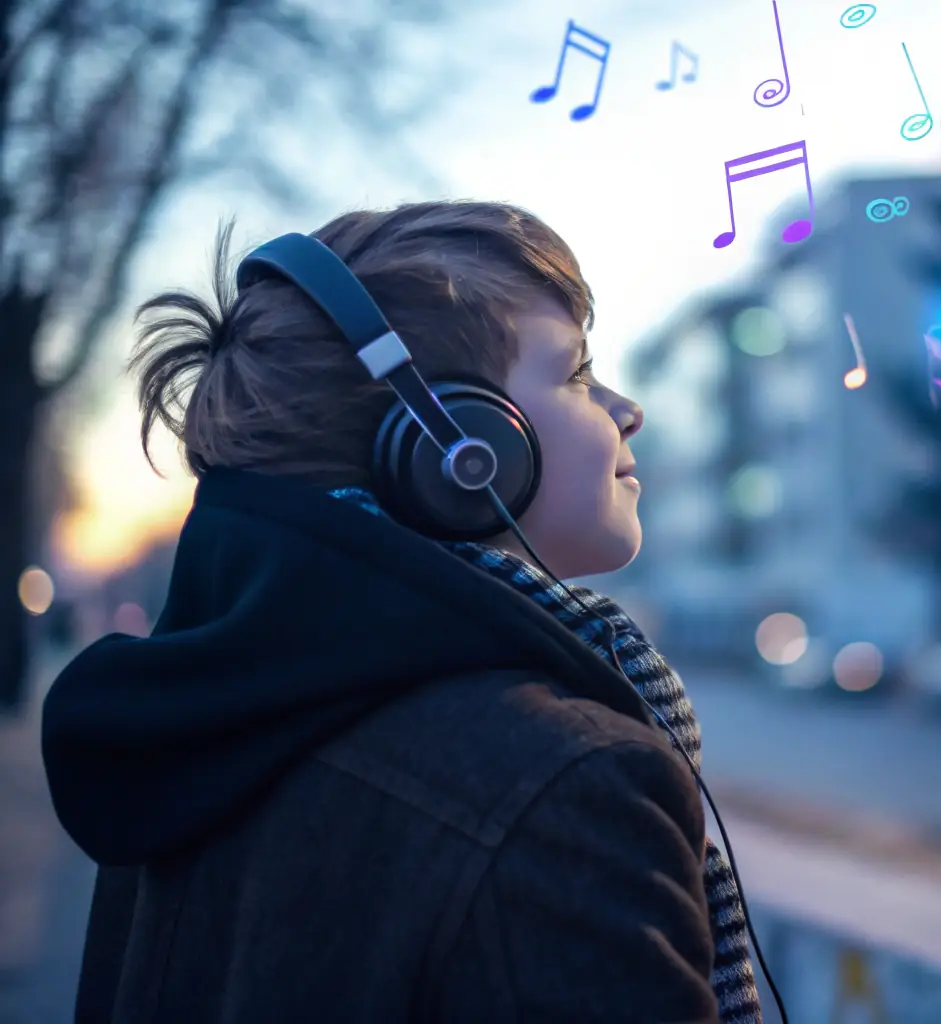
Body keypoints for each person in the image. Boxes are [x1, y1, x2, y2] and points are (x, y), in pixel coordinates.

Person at [41, 201, 766, 1023]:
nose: (626, 407)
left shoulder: (193, 739)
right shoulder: (563, 783)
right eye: (572, 373)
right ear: (459, 445)